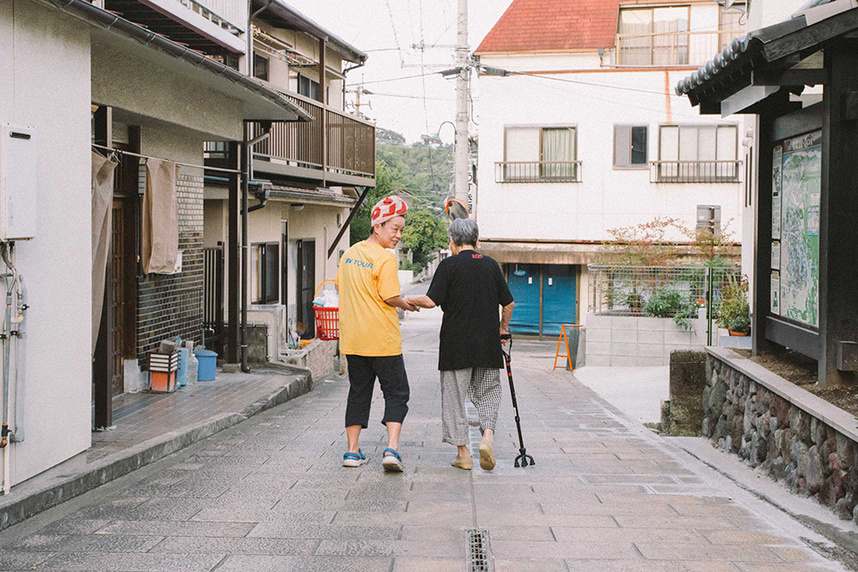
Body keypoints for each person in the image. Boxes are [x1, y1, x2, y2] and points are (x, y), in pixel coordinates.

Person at [407, 218, 514, 471]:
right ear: (477, 241)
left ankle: (463, 454)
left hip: (455, 346)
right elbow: (508, 303)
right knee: (488, 393)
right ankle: (487, 436)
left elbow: (431, 301)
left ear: (452, 242)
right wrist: (502, 329)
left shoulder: (448, 265)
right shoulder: (490, 265)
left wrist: (407, 299)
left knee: (454, 399)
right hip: (487, 344)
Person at [336, 196, 418, 472]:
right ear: (378, 226)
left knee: (358, 392)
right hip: (383, 340)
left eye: (401, 230)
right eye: (394, 228)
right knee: (396, 393)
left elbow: (340, 288)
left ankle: (351, 452)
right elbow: (390, 296)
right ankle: (391, 450)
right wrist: (410, 304)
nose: (398, 235)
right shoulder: (385, 258)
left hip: (353, 340)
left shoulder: (350, 254)